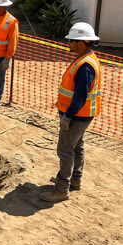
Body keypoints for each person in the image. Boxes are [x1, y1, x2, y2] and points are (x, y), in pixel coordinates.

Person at [40, 22, 102, 203]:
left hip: (77, 115)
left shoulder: (85, 65)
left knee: (65, 149)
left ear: (80, 43)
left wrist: (68, 115)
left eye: (71, 41)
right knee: (77, 146)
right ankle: (75, 180)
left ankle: (61, 189)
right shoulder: (86, 58)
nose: (68, 43)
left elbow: (80, 96)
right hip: (81, 114)